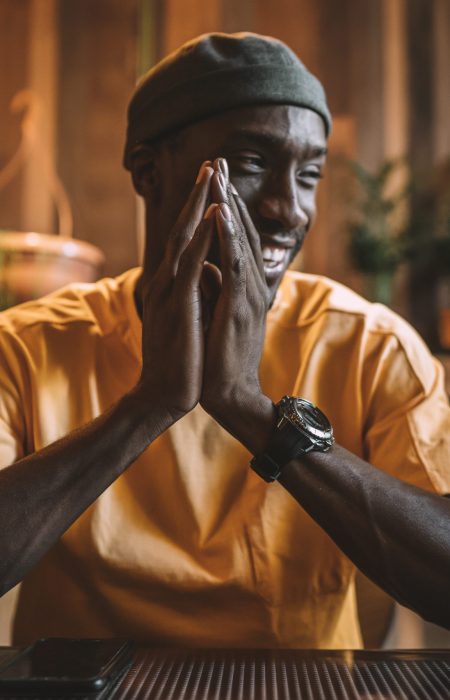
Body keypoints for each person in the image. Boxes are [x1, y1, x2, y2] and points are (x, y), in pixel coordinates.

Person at [0, 32, 449, 647]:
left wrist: (250, 408)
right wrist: (150, 405)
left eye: (310, 173)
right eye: (253, 163)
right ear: (149, 172)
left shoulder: (373, 347)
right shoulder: (26, 347)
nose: (289, 210)